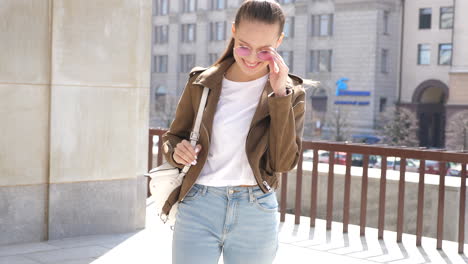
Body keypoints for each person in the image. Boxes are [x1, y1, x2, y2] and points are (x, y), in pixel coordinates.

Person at [161, 1, 306, 263]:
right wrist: (177, 152)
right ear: (233, 31)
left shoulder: (290, 94)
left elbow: (284, 162)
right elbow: (173, 137)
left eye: (264, 51)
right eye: (244, 46)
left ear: (279, 41)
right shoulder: (201, 83)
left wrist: (280, 94)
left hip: (256, 209)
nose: (251, 58)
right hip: (198, 204)